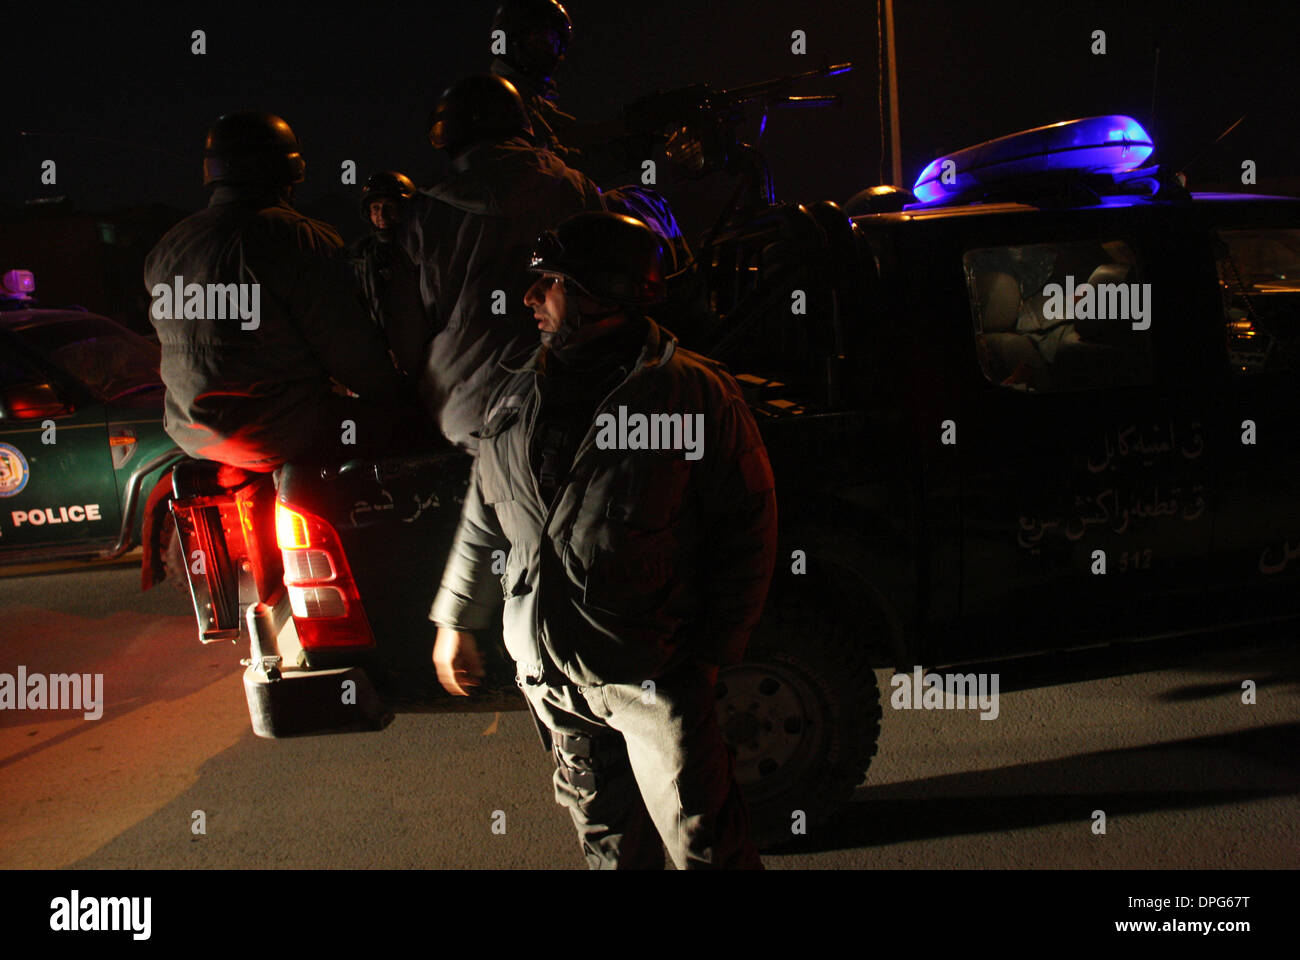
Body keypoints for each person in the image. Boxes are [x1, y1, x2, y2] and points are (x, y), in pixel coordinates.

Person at [429, 211, 778, 869]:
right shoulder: (518, 393)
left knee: (704, 846)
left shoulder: (688, 395)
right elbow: (486, 513)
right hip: (551, 674)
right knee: (609, 844)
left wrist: (708, 655)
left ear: (607, 290)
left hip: (651, 673)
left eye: (550, 281)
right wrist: (456, 620)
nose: (530, 297)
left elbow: (749, 527)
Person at [144, 111, 407, 471]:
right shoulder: (295, 237)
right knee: (417, 428)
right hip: (282, 431)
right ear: (289, 173)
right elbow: (352, 353)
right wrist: (400, 393)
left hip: (193, 437)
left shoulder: (167, 248)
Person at [395, 73, 604, 449]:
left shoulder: (422, 213)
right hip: (568, 407)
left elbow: (409, 329)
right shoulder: (577, 189)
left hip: (460, 417)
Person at [347, 170, 416, 337]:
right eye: (375, 208)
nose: (382, 215)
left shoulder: (421, 250)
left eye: (389, 207)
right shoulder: (360, 255)